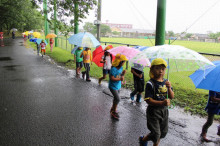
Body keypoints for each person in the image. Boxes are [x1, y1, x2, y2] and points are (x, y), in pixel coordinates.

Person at [139, 58, 174, 146]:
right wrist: (162, 103)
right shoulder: (150, 83)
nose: (160, 71)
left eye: (163, 69)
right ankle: (145, 141)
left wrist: (169, 88)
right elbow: (148, 100)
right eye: (157, 68)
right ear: (152, 70)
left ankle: (143, 139)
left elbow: (172, 96)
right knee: (156, 134)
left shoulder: (166, 82)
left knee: (163, 132)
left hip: (164, 111)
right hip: (153, 112)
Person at [109, 54, 128, 119]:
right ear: (120, 62)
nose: (124, 63)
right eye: (123, 62)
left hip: (118, 86)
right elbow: (112, 78)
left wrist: (123, 73)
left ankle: (112, 109)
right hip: (112, 86)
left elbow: (120, 75)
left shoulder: (121, 68)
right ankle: (114, 111)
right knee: (118, 99)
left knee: (116, 99)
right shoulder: (113, 69)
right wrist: (120, 79)